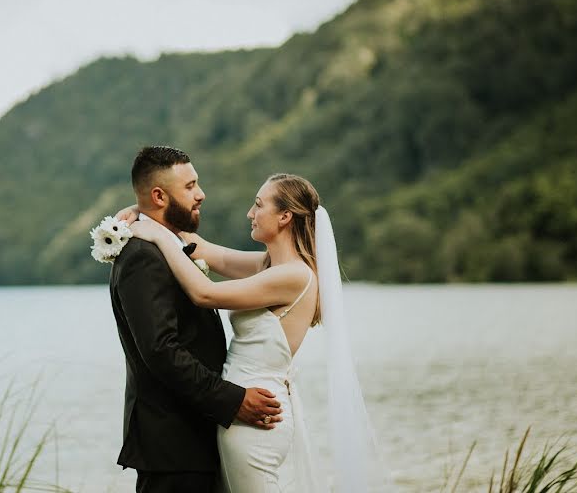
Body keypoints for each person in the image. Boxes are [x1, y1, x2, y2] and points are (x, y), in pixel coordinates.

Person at [121, 171, 395, 492]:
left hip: (255, 416)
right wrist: (142, 213)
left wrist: (156, 236)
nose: (250, 213)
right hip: (241, 412)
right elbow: (205, 250)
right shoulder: (269, 267)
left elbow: (204, 294)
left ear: (284, 216)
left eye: (258, 205)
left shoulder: (293, 276)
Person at [108, 146, 284, 493]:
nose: (200, 194)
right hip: (174, 445)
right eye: (189, 186)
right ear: (159, 195)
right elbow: (161, 350)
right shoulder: (143, 256)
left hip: (193, 439)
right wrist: (234, 401)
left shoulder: (171, 245)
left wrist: (140, 214)